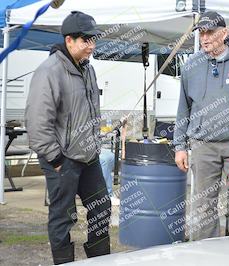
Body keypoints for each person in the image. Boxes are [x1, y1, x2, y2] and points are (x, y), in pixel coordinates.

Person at [25, 11, 110, 264]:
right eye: (86, 40)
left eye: (93, 40)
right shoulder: (49, 71)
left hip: (89, 156)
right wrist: (55, 157)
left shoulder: (88, 70)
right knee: (63, 218)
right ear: (69, 40)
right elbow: (37, 121)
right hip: (62, 158)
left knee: (101, 210)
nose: (92, 46)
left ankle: (99, 261)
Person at [173, 11, 229, 240]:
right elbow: (183, 107)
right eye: (201, 32)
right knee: (203, 206)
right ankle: (207, 255)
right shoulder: (191, 64)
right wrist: (179, 146)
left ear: (224, 33)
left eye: (210, 32)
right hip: (202, 146)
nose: (205, 37)